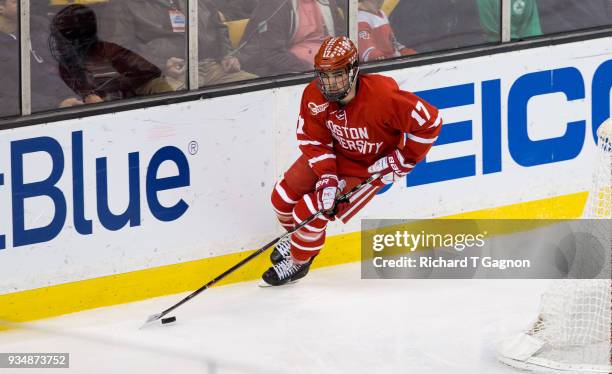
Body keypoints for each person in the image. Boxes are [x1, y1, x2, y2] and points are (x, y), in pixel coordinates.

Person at [261, 36, 442, 286]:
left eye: (337, 75)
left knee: (309, 213)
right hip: (332, 157)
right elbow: (313, 139)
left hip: (365, 170)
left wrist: (404, 159)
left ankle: (299, 261)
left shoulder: (383, 97)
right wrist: (327, 175)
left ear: (353, 70)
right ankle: (298, 238)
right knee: (281, 199)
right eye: (324, 76)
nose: (330, 83)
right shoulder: (314, 94)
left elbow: (430, 122)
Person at [103, 0, 256, 90]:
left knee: (254, 88)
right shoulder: (123, 4)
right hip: (158, 75)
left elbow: (218, 27)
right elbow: (119, 53)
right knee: (183, 100)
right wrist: (160, 65)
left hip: (210, 66)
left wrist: (226, 55)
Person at [0, 0, 82, 116]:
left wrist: (88, 93)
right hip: (34, 113)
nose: (26, 4)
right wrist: (55, 104)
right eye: (16, 2)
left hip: (67, 97)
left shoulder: (40, 25)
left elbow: (70, 60)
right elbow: (7, 93)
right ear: (1, 8)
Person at [237, 0, 345, 76]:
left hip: (326, 64)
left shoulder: (328, 2)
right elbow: (272, 54)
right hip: (286, 68)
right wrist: (312, 69)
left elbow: (342, 36)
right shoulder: (273, 4)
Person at [476, 0, 542, 41]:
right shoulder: (483, 1)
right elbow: (491, 32)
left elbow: (532, 32)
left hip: (526, 48)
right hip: (493, 50)